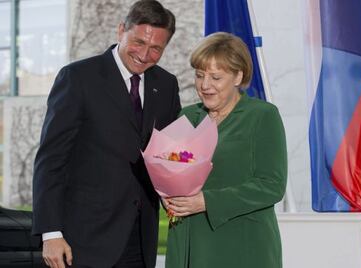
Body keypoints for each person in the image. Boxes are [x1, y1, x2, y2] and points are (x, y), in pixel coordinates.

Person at [32, 1, 181, 267]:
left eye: (156, 48)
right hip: (83, 240)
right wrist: (50, 233)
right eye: (138, 42)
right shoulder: (78, 77)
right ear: (121, 30)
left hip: (141, 238)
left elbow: (169, 154)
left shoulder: (167, 85)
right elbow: (51, 160)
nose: (145, 55)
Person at [164, 32, 287, 268]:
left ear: (238, 76)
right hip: (189, 241)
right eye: (200, 75)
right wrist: (168, 197)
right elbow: (169, 173)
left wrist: (207, 201)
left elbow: (271, 186)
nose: (205, 85)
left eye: (215, 77)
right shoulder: (187, 117)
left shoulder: (263, 116)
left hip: (242, 245)